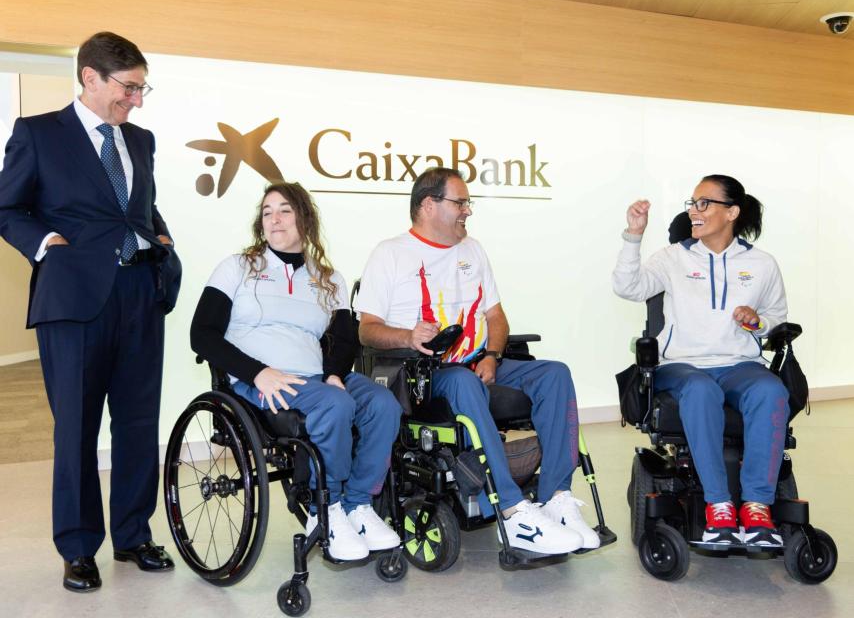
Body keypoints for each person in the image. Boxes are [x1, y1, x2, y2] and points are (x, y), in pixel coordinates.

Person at [0, 31, 182, 592]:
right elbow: (8, 207)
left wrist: (163, 245)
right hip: (74, 300)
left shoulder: (142, 140)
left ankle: (133, 535)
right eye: (129, 87)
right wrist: (46, 242)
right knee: (77, 428)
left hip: (138, 297)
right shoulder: (38, 134)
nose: (138, 99)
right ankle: (78, 547)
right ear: (90, 77)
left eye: (142, 87)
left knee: (136, 424)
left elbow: (142, 208)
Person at [354, 167, 600, 555]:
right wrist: (407, 336)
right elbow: (366, 330)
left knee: (555, 373)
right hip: (425, 373)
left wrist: (492, 354)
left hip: (478, 361)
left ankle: (556, 498)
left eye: (468, 202)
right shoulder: (391, 253)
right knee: (464, 383)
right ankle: (512, 509)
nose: (468, 210)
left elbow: (496, 317)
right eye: (461, 202)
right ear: (428, 205)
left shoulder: (473, 249)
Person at [190, 181, 401, 561]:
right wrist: (257, 373)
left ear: (304, 218)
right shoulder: (237, 268)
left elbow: (344, 337)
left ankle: (358, 505)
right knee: (335, 406)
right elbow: (202, 335)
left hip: (317, 378)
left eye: (285, 210)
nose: (274, 218)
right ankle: (327, 508)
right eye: (267, 211)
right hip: (261, 381)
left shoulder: (328, 278)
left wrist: (336, 372)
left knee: (384, 404)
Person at [613, 174, 789, 547]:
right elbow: (628, 287)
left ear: (732, 212)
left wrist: (759, 322)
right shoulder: (673, 257)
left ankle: (757, 505)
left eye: (704, 203)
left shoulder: (762, 264)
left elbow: (777, 316)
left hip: (739, 364)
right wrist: (633, 235)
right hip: (682, 364)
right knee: (700, 389)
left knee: (771, 391)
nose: (694, 211)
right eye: (692, 203)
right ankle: (719, 505)